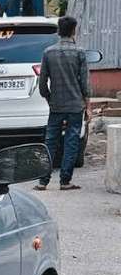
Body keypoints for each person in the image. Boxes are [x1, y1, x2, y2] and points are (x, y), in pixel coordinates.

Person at [35, 16, 90, 191]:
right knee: (72, 141)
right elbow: (85, 83)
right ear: (73, 30)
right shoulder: (80, 52)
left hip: (56, 105)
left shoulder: (48, 52)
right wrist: (87, 104)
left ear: (59, 31)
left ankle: (43, 181)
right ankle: (65, 181)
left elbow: (42, 83)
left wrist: (49, 98)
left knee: (50, 141)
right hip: (75, 105)